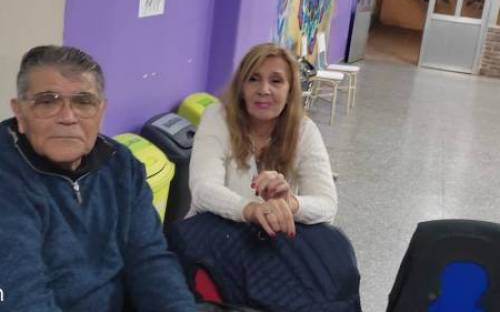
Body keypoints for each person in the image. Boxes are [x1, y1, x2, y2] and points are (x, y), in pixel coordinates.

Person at [0, 45, 197, 312]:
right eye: (47, 101)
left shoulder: (121, 164)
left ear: (101, 111)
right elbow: (20, 298)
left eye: (83, 102)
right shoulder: (7, 176)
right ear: (20, 113)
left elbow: (150, 261)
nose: (68, 117)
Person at [188, 43, 337, 234]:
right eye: (253, 79)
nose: (264, 90)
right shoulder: (217, 117)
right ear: (241, 87)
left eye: (276, 81)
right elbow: (203, 189)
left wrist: (289, 203)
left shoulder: (305, 131)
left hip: (271, 240)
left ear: (290, 91)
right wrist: (251, 210)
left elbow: (327, 204)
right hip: (215, 235)